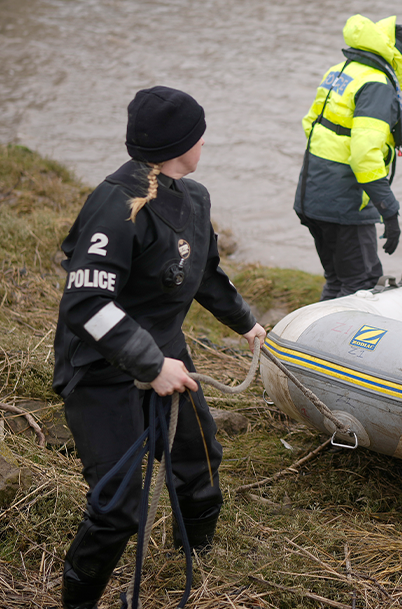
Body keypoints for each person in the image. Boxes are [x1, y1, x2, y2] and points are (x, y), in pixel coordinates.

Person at [52, 86, 267, 609]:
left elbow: (206, 275)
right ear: (183, 143)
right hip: (101, 368)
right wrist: (148, 364)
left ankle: (195, 557)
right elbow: (85, 304)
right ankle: (78, 603)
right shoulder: (115, 204)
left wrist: (248, 326)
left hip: (168, 353)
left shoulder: (194, 198)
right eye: (201, 135)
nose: (205, 144)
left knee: (200, 460)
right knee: (118, 505)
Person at [293, 15, 402, 300]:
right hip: (345, 207)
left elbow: (311, 125)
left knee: (337, 280)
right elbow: (364, 156)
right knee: (362, 285)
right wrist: (389, 210)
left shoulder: (342, 70)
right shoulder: (377, 84)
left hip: (311, 196)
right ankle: (339, 344)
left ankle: (315, 339)